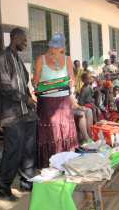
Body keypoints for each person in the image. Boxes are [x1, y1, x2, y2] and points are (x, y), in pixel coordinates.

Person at [0, 28, 37, 200]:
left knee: (28, 148)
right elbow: (5, 86)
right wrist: (25, 99)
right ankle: (2, 187)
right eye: (24, 40)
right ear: (15, 38)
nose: (26, 43)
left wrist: (30, 100)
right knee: (13, 150)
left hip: (25, 113)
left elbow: (23, 84)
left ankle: (27, 180)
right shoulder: (3, 59)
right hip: (11, 114)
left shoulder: (17, 59)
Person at [33, 33, 78, 169]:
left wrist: (70, 83)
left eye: (57, 47)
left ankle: (65, 162)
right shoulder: (41, 59)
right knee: (50, 132)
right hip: (46, 103)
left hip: (63, 101)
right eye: (53, 46)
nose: (54, 49)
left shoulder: (68, 59)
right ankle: (50, 164)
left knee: (64, 130)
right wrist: (44, 86)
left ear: (62, 48)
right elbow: (35, 82)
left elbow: (73, 79)